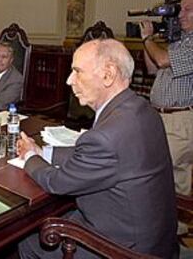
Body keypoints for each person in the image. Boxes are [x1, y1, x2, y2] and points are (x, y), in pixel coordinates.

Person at [17, 39, 178, 259]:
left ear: (108, 74)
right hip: (157, 238)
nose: (68, 80)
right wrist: (44, 152)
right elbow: (100, 156)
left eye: (77, 71)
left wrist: (28, 157)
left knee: (28, 242)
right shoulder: (142, 109)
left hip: (127, 249)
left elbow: (57, 182)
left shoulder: (106, 136)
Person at [139, 0, 193, 198]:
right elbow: (153, 69)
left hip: (179, 119)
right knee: (158, 176)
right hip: (160, 117)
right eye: (181, 9)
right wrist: (147, 41)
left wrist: (148, 38)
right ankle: (163, 224)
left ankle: (175, 226)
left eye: (187, 10)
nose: (180, 15)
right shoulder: (179, 41)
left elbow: (161, 60)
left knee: (173, 179)